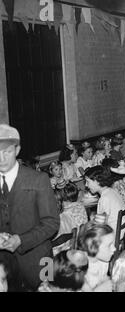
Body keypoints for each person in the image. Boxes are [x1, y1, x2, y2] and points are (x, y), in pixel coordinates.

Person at [0, 124, 60, 291]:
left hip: (41, 259)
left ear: (17, 150)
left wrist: (21, 240)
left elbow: (52, 224)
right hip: (4, 267)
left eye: (7, 152)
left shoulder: (39, 179)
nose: (2, 159)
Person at [84, 166, 125, 237]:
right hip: (123, 229)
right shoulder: (111, 191)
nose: (86, 185)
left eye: (88, 182)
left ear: (97, 181)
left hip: (114, 234)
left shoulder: (104, 198)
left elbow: (100, 225)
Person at [78, 221, 115, 292]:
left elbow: (104, 279)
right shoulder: (80, 271)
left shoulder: (103, 261)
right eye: (109, 245)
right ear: (92, 247)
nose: (114, 249)